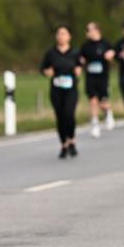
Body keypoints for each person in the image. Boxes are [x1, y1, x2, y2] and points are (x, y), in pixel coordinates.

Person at [41, 25, 82, 158]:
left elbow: (80, 66)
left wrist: (78, 70)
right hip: (56, 89)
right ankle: (63, 144)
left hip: (71, 89)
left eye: (63, 34)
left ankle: (72, 140)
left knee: (69, 114)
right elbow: (43, 68)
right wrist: (47, 72)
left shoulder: (75, 52)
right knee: (60, 116)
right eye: (59, 34)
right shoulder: (51, 53)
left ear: (69, 37)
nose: (61, 36)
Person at [79, 22, 115, 138]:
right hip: (90, 78)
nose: (87, 32)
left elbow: (113, 56)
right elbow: (80, 59)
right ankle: (95, 125)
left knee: (103, 103)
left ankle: (108, 113)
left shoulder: (105, 44)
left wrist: (111, 56)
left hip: (103, 78)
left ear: (96, 30)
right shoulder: (85, 46)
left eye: (89, 30)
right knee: (92, 101)